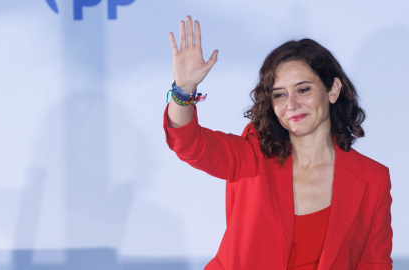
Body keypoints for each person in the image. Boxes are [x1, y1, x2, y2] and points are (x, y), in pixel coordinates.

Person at [164, 16, 393, 270]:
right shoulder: (254, 153)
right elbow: (189, 143)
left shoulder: (373, 179)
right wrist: (183, 91)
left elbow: (374, 264)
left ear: (333, 90)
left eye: (303, 89)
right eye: (279, 94)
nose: (291, 105)